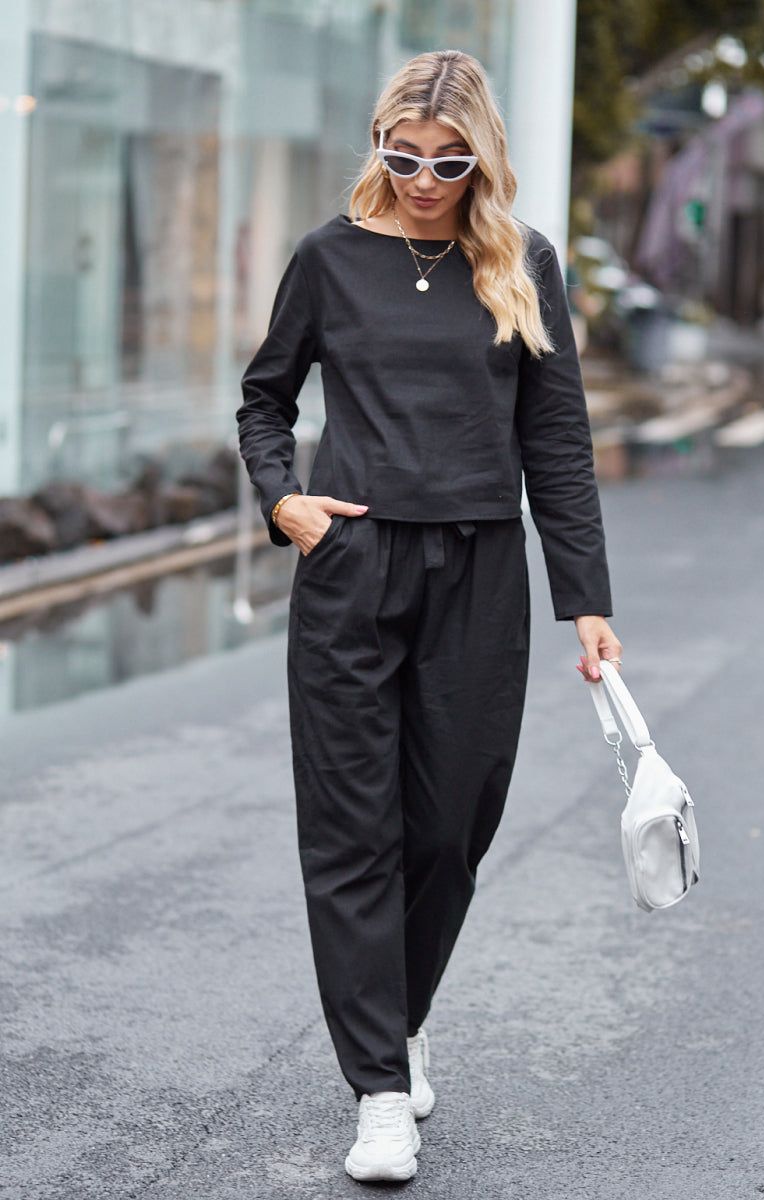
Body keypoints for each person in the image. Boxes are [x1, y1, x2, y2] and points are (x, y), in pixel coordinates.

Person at [236, 48, 623, 1184]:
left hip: (476, 571)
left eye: (446, 161)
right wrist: (282, 500)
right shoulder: (327, 260)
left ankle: (396, 1017)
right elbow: (266, 397)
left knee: (450, 826)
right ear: (377, 145)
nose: (420, 177)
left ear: (479, 157)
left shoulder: (520, 263)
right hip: (352, 563)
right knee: (351, 833)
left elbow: (556, 443)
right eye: (399, 156)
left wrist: (585, 600)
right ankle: (377, 1088)